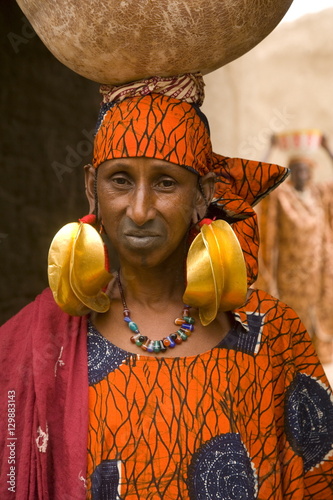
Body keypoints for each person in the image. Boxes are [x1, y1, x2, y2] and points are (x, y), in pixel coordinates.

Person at [0, 74, 333, 500]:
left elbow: (318, 480)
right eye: (120, 180)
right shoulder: (43, 341)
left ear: (202, 195)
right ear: (91, 189)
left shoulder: (271, 335)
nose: (139, 210)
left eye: (165, 183)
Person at [257, 133, 333, 365]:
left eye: (305, 170)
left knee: (321, 310)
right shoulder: (283, 196)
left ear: (311, 172)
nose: (301, 174)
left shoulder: (320, 194)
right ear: (291, 173)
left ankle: (320, 354)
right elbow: (261, 185)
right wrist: (270, 150)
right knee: (294, 313)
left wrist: (327, 149)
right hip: (292, 272)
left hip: (320, 268)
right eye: (296, 170)